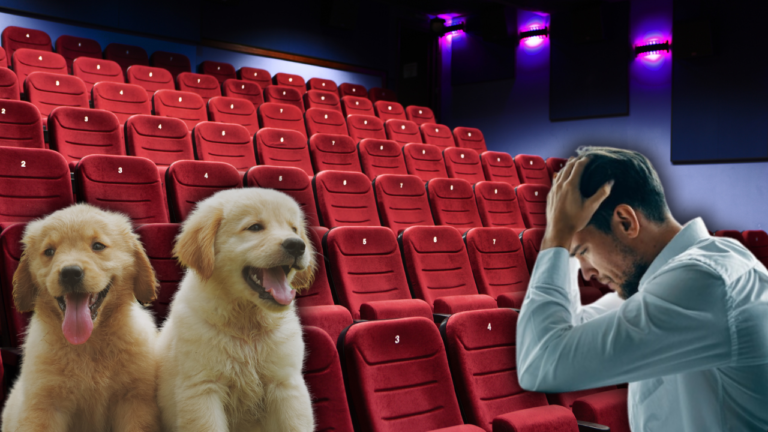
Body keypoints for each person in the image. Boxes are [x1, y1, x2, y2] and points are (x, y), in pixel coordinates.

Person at [516, 147, 768, 431]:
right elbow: (570, 330)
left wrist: (557, 237)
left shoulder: (703, 283)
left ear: (626, 222)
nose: (585, 272)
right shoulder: (688, 274)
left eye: (584, 251)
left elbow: (540, 363)